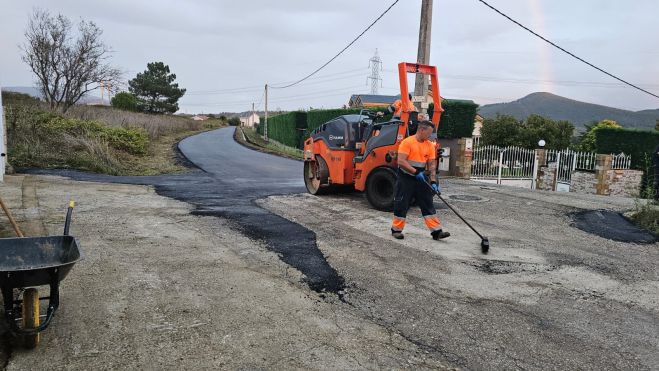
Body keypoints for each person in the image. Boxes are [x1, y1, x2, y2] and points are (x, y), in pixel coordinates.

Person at [391, 120, 450, 240]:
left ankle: (436, 232)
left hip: (421, 178)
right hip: (405, 177)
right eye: (429, 133)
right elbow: (401, 161)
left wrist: (433, 181)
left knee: (427, 202)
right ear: (421, 130)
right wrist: (415, 172)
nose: (430, 136)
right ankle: (396, 230)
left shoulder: (429, 145)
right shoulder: (407, 142)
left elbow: (432, 165)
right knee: (402, 203)